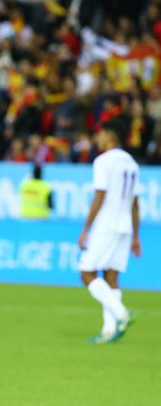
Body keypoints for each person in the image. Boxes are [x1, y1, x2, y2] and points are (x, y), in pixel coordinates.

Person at [78, 119, 140, 344]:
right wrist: (136, 236)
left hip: (107, 223)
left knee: (86, 273)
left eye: (100, 134)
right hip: (125, 225)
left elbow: (100, 195)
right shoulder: (132, 163)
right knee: (111, 276)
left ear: (110, 136)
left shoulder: (103, 161)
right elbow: (135, 203)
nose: (98, 139)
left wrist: (85, 229)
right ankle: (109, 330)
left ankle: (122, 313)